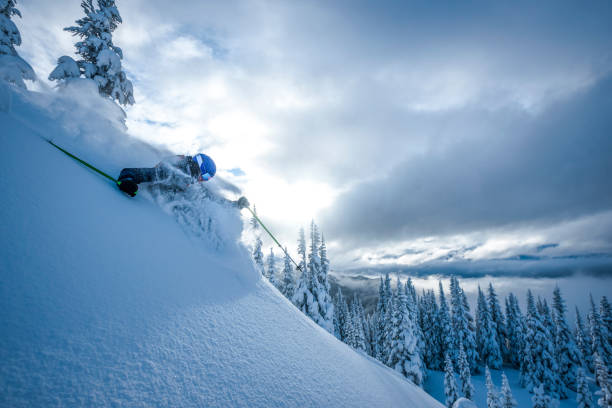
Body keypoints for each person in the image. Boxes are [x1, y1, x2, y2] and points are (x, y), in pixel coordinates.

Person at [117, 153, 249, 209]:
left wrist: (236, 205)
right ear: (201, 169)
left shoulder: (192, 183)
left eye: (207, 179)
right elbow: (132, 172)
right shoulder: (170, 172)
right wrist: (127, 181)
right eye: (206, 176)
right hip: (151, 206)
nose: (203, 181)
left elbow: (213, 199)